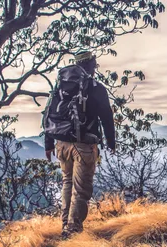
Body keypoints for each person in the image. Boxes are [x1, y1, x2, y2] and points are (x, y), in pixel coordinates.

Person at [43, 50, 115, 238]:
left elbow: (49, 112)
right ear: (90, 65)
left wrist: (48, 143)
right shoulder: (95, 87)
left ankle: (65, 225)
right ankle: (73, 231)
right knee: (81, 189)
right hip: (83, 144)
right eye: (94, 64)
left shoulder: (61, 86)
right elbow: (107, 117)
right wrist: (111, 142)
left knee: (67, 183)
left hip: (61, 143)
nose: (95, 68)